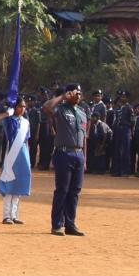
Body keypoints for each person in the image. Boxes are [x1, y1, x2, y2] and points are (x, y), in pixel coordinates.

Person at [43, 83, 88, 236]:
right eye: (75, 93)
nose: (78, 96)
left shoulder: (82, 113)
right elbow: (47, 107)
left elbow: (84, 138)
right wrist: (62, 97)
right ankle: (57, 225)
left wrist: (84, 158)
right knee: (62, 190)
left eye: (80, 93)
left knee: (75, 191)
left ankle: (70, 224)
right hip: (64, 153)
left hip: (78, 155)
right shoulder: (61, 109)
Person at [0, 97, 33, 224]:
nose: (22, 109)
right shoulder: (8, 120)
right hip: (11, 153)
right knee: (9, 182)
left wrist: (28, 159)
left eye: (24, 107)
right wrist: (6, 113)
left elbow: (27, 141)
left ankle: (14, 215)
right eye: (20, 106)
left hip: (23, 153)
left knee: (19, 184)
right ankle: (6, 216)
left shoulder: (26, 122)